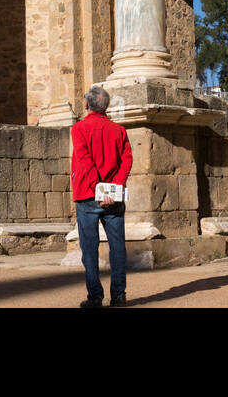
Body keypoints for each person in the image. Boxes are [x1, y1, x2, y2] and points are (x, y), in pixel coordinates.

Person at [71, 85, 132, 308]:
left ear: (87, 104)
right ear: (106, 106)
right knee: (117, 248)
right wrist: (113, 188)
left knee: (89, 249)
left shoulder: (79, 129)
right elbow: (127, 160)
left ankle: (95, 297)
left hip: (87, 195)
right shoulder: (119, 131)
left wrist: (100, 190)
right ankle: (119, 296)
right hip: (113, 197)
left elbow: (85, 162)